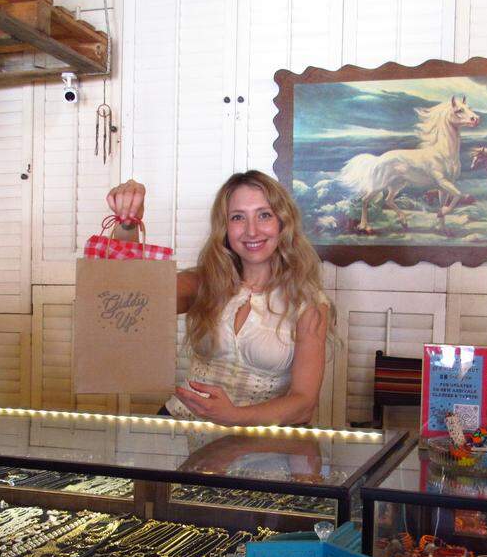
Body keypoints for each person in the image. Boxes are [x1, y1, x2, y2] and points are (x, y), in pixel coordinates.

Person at [105, 170, 334, 426]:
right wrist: (127, 224)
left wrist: (233, 417)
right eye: (238, 217)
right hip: (180, 428)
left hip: (258, 446)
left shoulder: (308, 302)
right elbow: (132, 295)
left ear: (282, 223)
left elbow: (303, 404)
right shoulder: (204, 282)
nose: (252, 230)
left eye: (264, 215)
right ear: (225, 228)